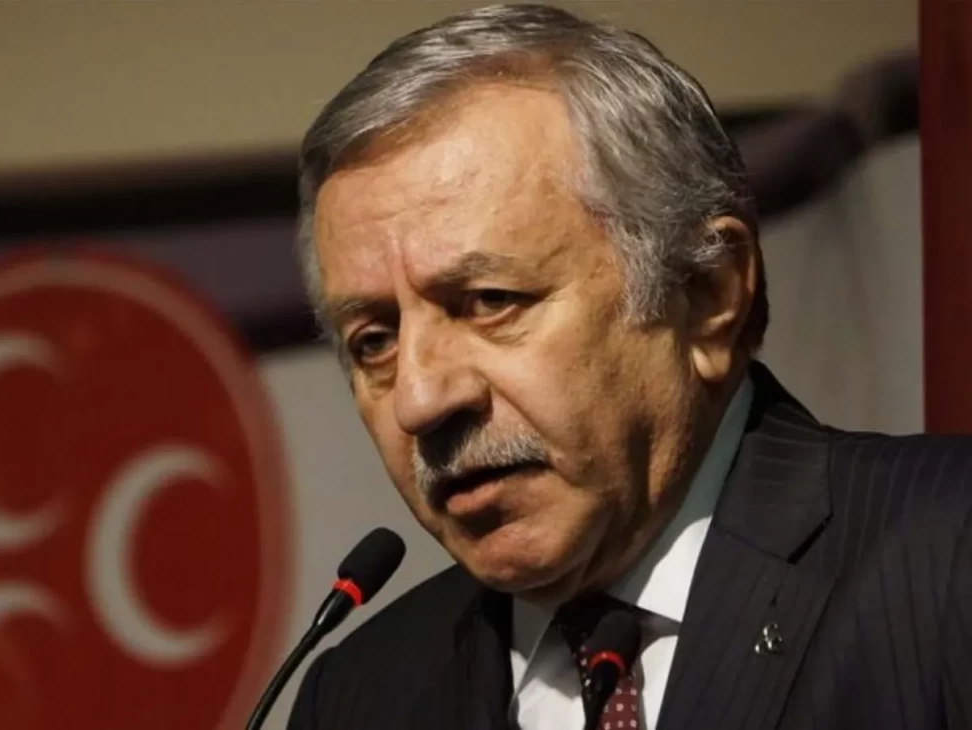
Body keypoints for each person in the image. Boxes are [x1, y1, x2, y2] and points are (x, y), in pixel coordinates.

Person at [286, 4, 972, 730]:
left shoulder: (948, 559)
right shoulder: (357, 697)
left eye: (491, 301)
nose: (420, 399)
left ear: (706, 292)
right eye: (374, 342)